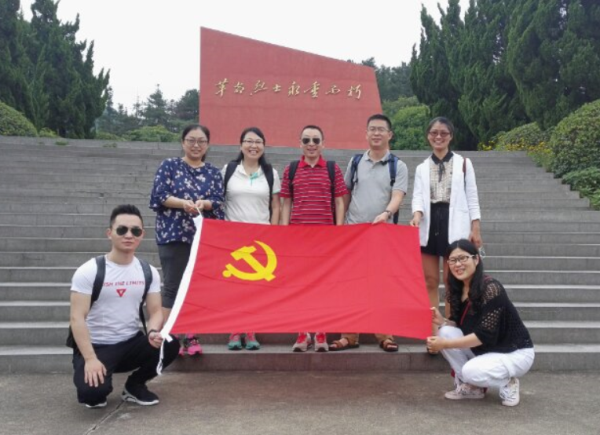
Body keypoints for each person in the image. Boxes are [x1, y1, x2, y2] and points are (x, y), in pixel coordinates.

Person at [70, 205, 180, 408]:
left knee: (170, 342)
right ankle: (91, 374)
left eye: (135, 231)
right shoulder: (89, 271)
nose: (129, 235)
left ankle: (135, 385)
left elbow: (156, 311)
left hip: (130, 342)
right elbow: (77, 318)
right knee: (93, 396)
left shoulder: (148, 271)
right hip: (97, 346)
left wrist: (153, 332)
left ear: (142, 235)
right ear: (109, 233)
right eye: (122, 230)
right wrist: (90, 358)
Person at [331, 114, 408, 352]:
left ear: (389, 134)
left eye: (381, 129)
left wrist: (386, 213)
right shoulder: (355, 162)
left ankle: (385, 335)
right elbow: (345, 193)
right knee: (350, 285)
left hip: (383, 233)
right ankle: (349, 335)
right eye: (372, 129)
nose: (376, 133)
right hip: (354, 232)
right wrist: (341, 225)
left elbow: (398, 196)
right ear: (366, 134)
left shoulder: (398, 166)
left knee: (381, 285)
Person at [427, 239, 534, 407]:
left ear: (476, 259)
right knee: (444, 331)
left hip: (514, 352)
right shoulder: (457, 289)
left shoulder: (491, 288)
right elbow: (461, 325)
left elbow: (482, 336)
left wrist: (445, 344)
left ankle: (508, 382)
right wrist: (442, 321)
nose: (458, 264)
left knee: (470, 370)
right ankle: (473, 387)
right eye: (453, 260)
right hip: (486, 350)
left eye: (463, 258)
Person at [149, 124, 224, 356]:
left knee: (196, 287)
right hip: (173, 234)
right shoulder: (169, 165)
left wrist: (203, 204)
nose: (196, 145)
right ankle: (169, 336)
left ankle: (191, 336)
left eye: (201, 141)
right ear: (183, 142)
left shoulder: (213, 172)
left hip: (202, 237)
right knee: (173, 285)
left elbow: (218, 199)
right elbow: (159, 195)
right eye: (191, 140)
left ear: (207, 145)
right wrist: (184, 204)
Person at [410, 117, 482, 342]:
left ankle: (450, 330)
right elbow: (418, 196)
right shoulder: (422, 167)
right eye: (434, 133)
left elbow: (472, 196)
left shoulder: (463, 163)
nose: (438, 137)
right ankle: (433, 330)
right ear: (428, 136)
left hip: (455, 222)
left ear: (451, 136)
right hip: (430, 223)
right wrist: (417, 214)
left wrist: (476, 227)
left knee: (452, 281)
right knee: (430, 280)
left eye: (443, 133)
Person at [280, 124, 348, 352]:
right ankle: (302, 333)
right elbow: (286, 203)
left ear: (323, 144)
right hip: (298, 239)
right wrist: (284, 232)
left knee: (323, 287)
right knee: (299, 286)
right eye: (306, 140)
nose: (311, 144)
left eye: (316, 140)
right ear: (299, 144)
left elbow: (339, 201)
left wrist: (339, 232)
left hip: (325, 239)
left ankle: (320, 332)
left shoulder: (332, 168)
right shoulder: (291, 169)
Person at [222, 127, 281, 351]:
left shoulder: (270, 173)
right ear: (241, 145)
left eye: (258, 142)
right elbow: (219, 199)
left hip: (260, 238)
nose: (253, 146)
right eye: (248, 141)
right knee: (234, 287)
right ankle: (235, 329)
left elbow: (276, 205)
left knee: (254, 287)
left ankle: (251, 329)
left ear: (264, 146)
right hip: (232, 237)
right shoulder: (229, 170)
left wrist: (273, 232)